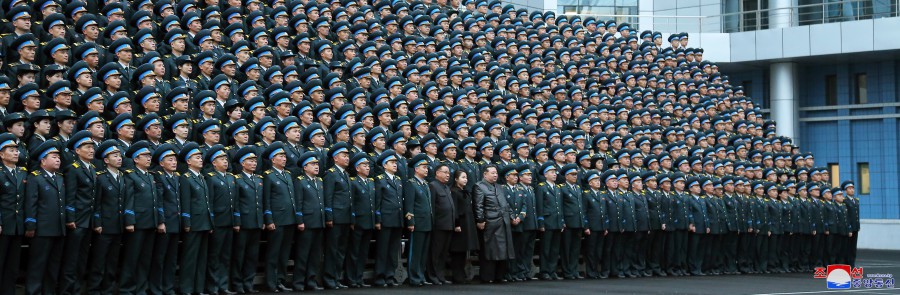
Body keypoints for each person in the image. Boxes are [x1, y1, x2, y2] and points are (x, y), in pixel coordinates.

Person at [24, 140, 66, 295]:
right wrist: (31, 225)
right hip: (42, 230)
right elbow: (31, 203)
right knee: (37, 266)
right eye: (53, 157)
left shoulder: (60, 178)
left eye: (58, 157)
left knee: (53, 266)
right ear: (43, 160)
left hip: (58, 229)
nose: (58, 159)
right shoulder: (35, 178)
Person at [179, 142, 213, 295]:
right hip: (193, 223)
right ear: (188, 161)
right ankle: (186, 288)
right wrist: (186, 222)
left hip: (204, 222)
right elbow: (185, 202)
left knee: (202, 258)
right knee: (190, 258)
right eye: (197, 157)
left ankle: (198, 288)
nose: (201, 160)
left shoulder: (202, 177)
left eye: (201, 157)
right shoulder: (186, 178)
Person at [204, 145, 238, 294]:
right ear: (213, 163)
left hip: (229, 221)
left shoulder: (231, 177)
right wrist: (211, 221)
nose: (225, 162)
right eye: (221, 159)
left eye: (226, 159)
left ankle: (223, 285)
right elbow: (209, 202)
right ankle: (213, 286)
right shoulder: (211, 178)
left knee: (226, 255)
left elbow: (235, 201)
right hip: (217, 221)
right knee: (214, 255)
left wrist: (236, 221)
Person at [474, 164, 516, 283]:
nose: (495, 175)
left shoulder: (499, 186)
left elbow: (505, 204)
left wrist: (512, 216)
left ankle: (499, 275)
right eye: (492, 173)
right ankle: (487, 276)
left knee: (503, 250)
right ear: (485, 174)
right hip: (490, 222)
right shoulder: (479, 186)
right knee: (490, 250)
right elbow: (478, 205)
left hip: (503, 221)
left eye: (496, 173)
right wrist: (480, 220)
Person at [292, 151, 326, 291]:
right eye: (312, 164)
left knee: (315, 255)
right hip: (306, 222)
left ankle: (311, 281)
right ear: (305, 167)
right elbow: (298, 203)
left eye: (317, 164)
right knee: (303, 253)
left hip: (318, 221)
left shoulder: (319, 181)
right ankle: (298, 282)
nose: (316, 166)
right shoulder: (300, 181)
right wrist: (300, 220)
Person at [0, 133, 27, 295]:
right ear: (1, 154)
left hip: (17, 225)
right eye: (11, 150)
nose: (16, 153)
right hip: (4, 225)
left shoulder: (22, 172)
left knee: (12, 265)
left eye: (16, 150)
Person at [404, 153, 432, 287]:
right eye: (424, 167)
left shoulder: (425, 184)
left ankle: (420, 275)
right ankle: (414, 277)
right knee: (415, 252)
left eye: (427, 167)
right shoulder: (411, 183)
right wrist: (410, 221)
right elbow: (409, 204)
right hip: (417, 223)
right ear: (416, 169)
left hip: (427, 222)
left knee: (423, 252)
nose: (426, 169)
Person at [449, 169, 478, 283]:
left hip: (467, 222)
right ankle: (457, 275)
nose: (465, 179)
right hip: (460, 223)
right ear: (456, 179)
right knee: (457, 251)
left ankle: (462, 273)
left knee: (463, 251)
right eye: (462, 177)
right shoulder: (454, 191)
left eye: (466, 177)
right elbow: (455, 209)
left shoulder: (465, 191)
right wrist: (456, 224)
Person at [428, 163, 455, 285]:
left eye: (449, 173)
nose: (447, 175)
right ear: (437, 173)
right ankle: (432, 275)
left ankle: (440, 275)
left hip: (448, 224)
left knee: (444, 253)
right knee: (436, 252)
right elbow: (432, 207)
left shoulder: (446, 187)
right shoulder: (433, 186)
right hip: (438, 225)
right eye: (445, 172)